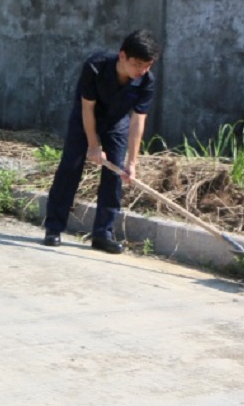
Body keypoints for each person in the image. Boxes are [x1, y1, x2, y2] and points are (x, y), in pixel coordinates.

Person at [42, 30, 160, 254]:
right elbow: (87, 108)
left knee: (115, 174)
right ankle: (53, 228)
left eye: (148, 65)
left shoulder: (146, 82)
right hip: (85, 119)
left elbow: (137, 122)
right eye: (137, 64)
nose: (142, 71)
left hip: (116, 123)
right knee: (70, 168)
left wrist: (132, 162)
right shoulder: (95, 66)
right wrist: (94, 146)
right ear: (122, 56)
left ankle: (102, 234)